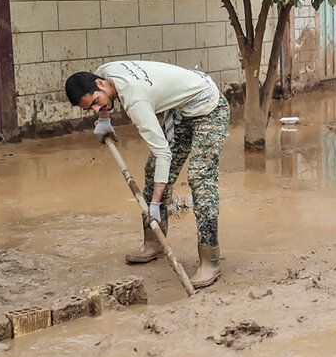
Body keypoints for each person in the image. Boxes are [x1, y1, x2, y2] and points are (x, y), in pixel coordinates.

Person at [65, 60, 230, 289]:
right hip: (182, 109)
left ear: (101, 84)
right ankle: (154, 242)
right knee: (154, 171)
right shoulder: (105, 71)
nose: (95, 108)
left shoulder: (136, 101)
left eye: (95, 103)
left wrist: (153, 203)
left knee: (200, 179)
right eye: (89, 108)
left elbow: (163, 152)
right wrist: (104, 120)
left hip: (208, 106)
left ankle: (209, 259)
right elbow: (160, 160)